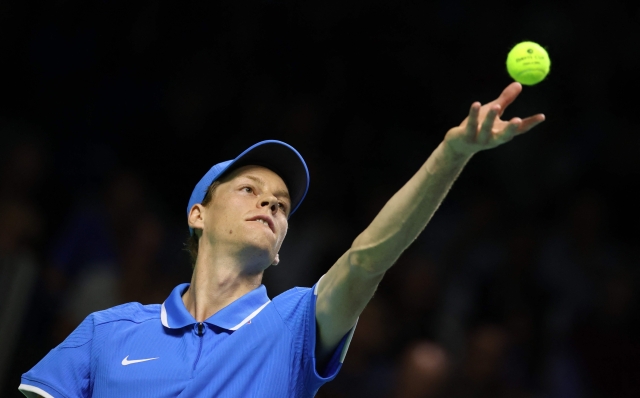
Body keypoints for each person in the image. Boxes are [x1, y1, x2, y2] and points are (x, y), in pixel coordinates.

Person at [18, 82, 544, 398]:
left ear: (281, 244)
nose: (270, 203)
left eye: (281, 204)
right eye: (249, 189)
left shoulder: (294, 325)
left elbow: (366, 259)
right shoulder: (107, 331)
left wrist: (450, 156)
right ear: (197, 215)